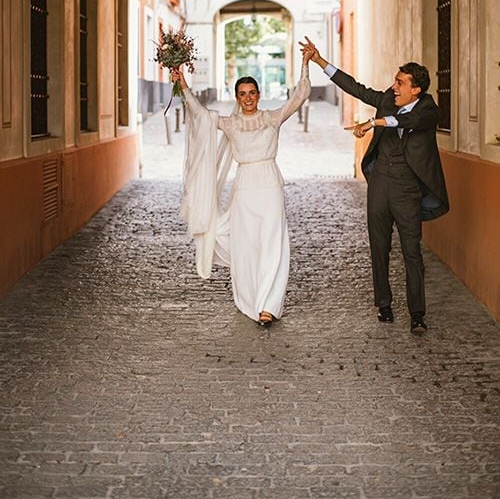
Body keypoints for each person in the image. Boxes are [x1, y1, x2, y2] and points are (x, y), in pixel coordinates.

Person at [299, 36, 449, 333]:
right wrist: (319, 61)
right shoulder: (387, 100)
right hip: (380, 183)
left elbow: (408, 122)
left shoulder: (428, 109)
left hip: (408, 190)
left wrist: (374, 123)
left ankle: (417, 314)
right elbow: (355, 87)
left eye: (400, 83)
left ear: (416, 89)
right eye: (395, 81)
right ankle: (384, 304)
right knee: (378, 247)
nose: (394, 87)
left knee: (412, 251)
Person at [171, 54, 312, 327]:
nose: (247, 98)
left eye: (251, 93)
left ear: (258, 95)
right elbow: (199, 114)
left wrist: (306, 63)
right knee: (247, 246)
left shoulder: (273, 118)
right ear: (237, 98)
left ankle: (269, 306)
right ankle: (250, 299)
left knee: (273, 244)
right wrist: (183, 83)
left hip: (270, 184)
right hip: (245, 187)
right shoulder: (231, 124)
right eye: (242, 94)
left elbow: (300, 95)